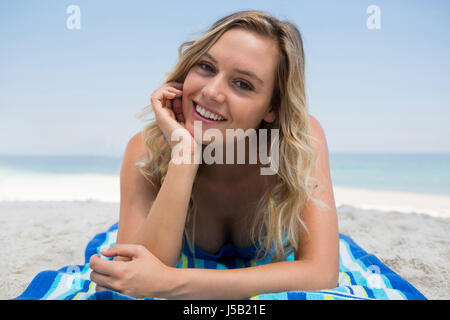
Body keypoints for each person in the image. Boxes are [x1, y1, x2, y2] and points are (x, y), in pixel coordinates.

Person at [89, 10, 339, 300]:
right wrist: (184, 156)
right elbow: (131, 279)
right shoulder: (146, 149)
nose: (211, 92)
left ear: (273, 107)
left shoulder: (299, 142)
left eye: (242, 84)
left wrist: (173, 282)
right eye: (206, 67)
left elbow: (322, 273)